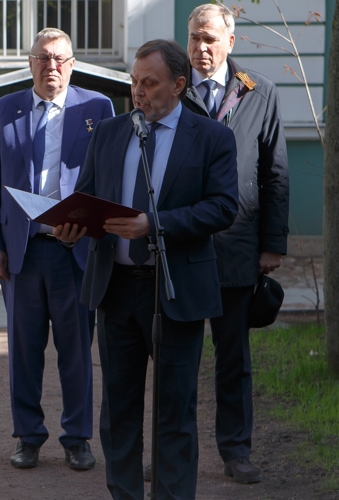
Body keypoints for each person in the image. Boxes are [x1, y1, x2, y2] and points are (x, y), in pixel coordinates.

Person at [55, 39, 238, 499]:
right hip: (115, 290)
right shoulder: (110, 132)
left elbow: (222, 207)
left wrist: (154, 224)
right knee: (119, 411)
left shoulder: (211, 137)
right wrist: (72, 228)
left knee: (175, 412)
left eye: (149, 83)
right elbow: (88, 198)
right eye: (135, 82)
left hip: (175, 289)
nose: (138, 92)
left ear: (178, 85)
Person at [0, 27, 115, 471]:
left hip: (75, 252)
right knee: (23, 351)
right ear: (30, 63)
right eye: (42, 58)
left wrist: (92, 230)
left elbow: (107, 180)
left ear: (72, 65)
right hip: (22, 253)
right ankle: (28, 436)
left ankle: (77, 438)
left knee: (76, 352)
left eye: (59, 59)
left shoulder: (97, 108)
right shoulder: (4, 110)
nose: (50, 66)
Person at [183, 3, 289, 484]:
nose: (200, 47)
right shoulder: (171, 87)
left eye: (209, 38)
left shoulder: (258, 91)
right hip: (182, 244)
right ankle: (173, 450)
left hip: (236, 247)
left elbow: (275, 173)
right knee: (177, 359)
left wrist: (272, 244)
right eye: (194, 37)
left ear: (230, 41)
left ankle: (236, 449)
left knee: (233, 357)